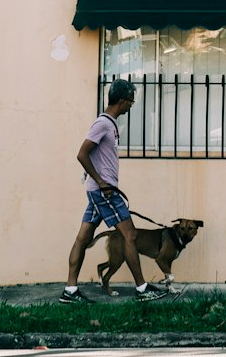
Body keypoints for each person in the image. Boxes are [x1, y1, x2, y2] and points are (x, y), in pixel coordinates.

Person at [61, 79, 164, 303]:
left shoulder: (109, 124)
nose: (131, 106)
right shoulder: (103, 124)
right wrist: (102, 182)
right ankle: (142, 288)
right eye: (131, 102)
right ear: (121, 100)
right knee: (130, 235)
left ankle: (69, 291)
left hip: (99, 191)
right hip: (104, 192)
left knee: (83, 238)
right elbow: (82, 154)